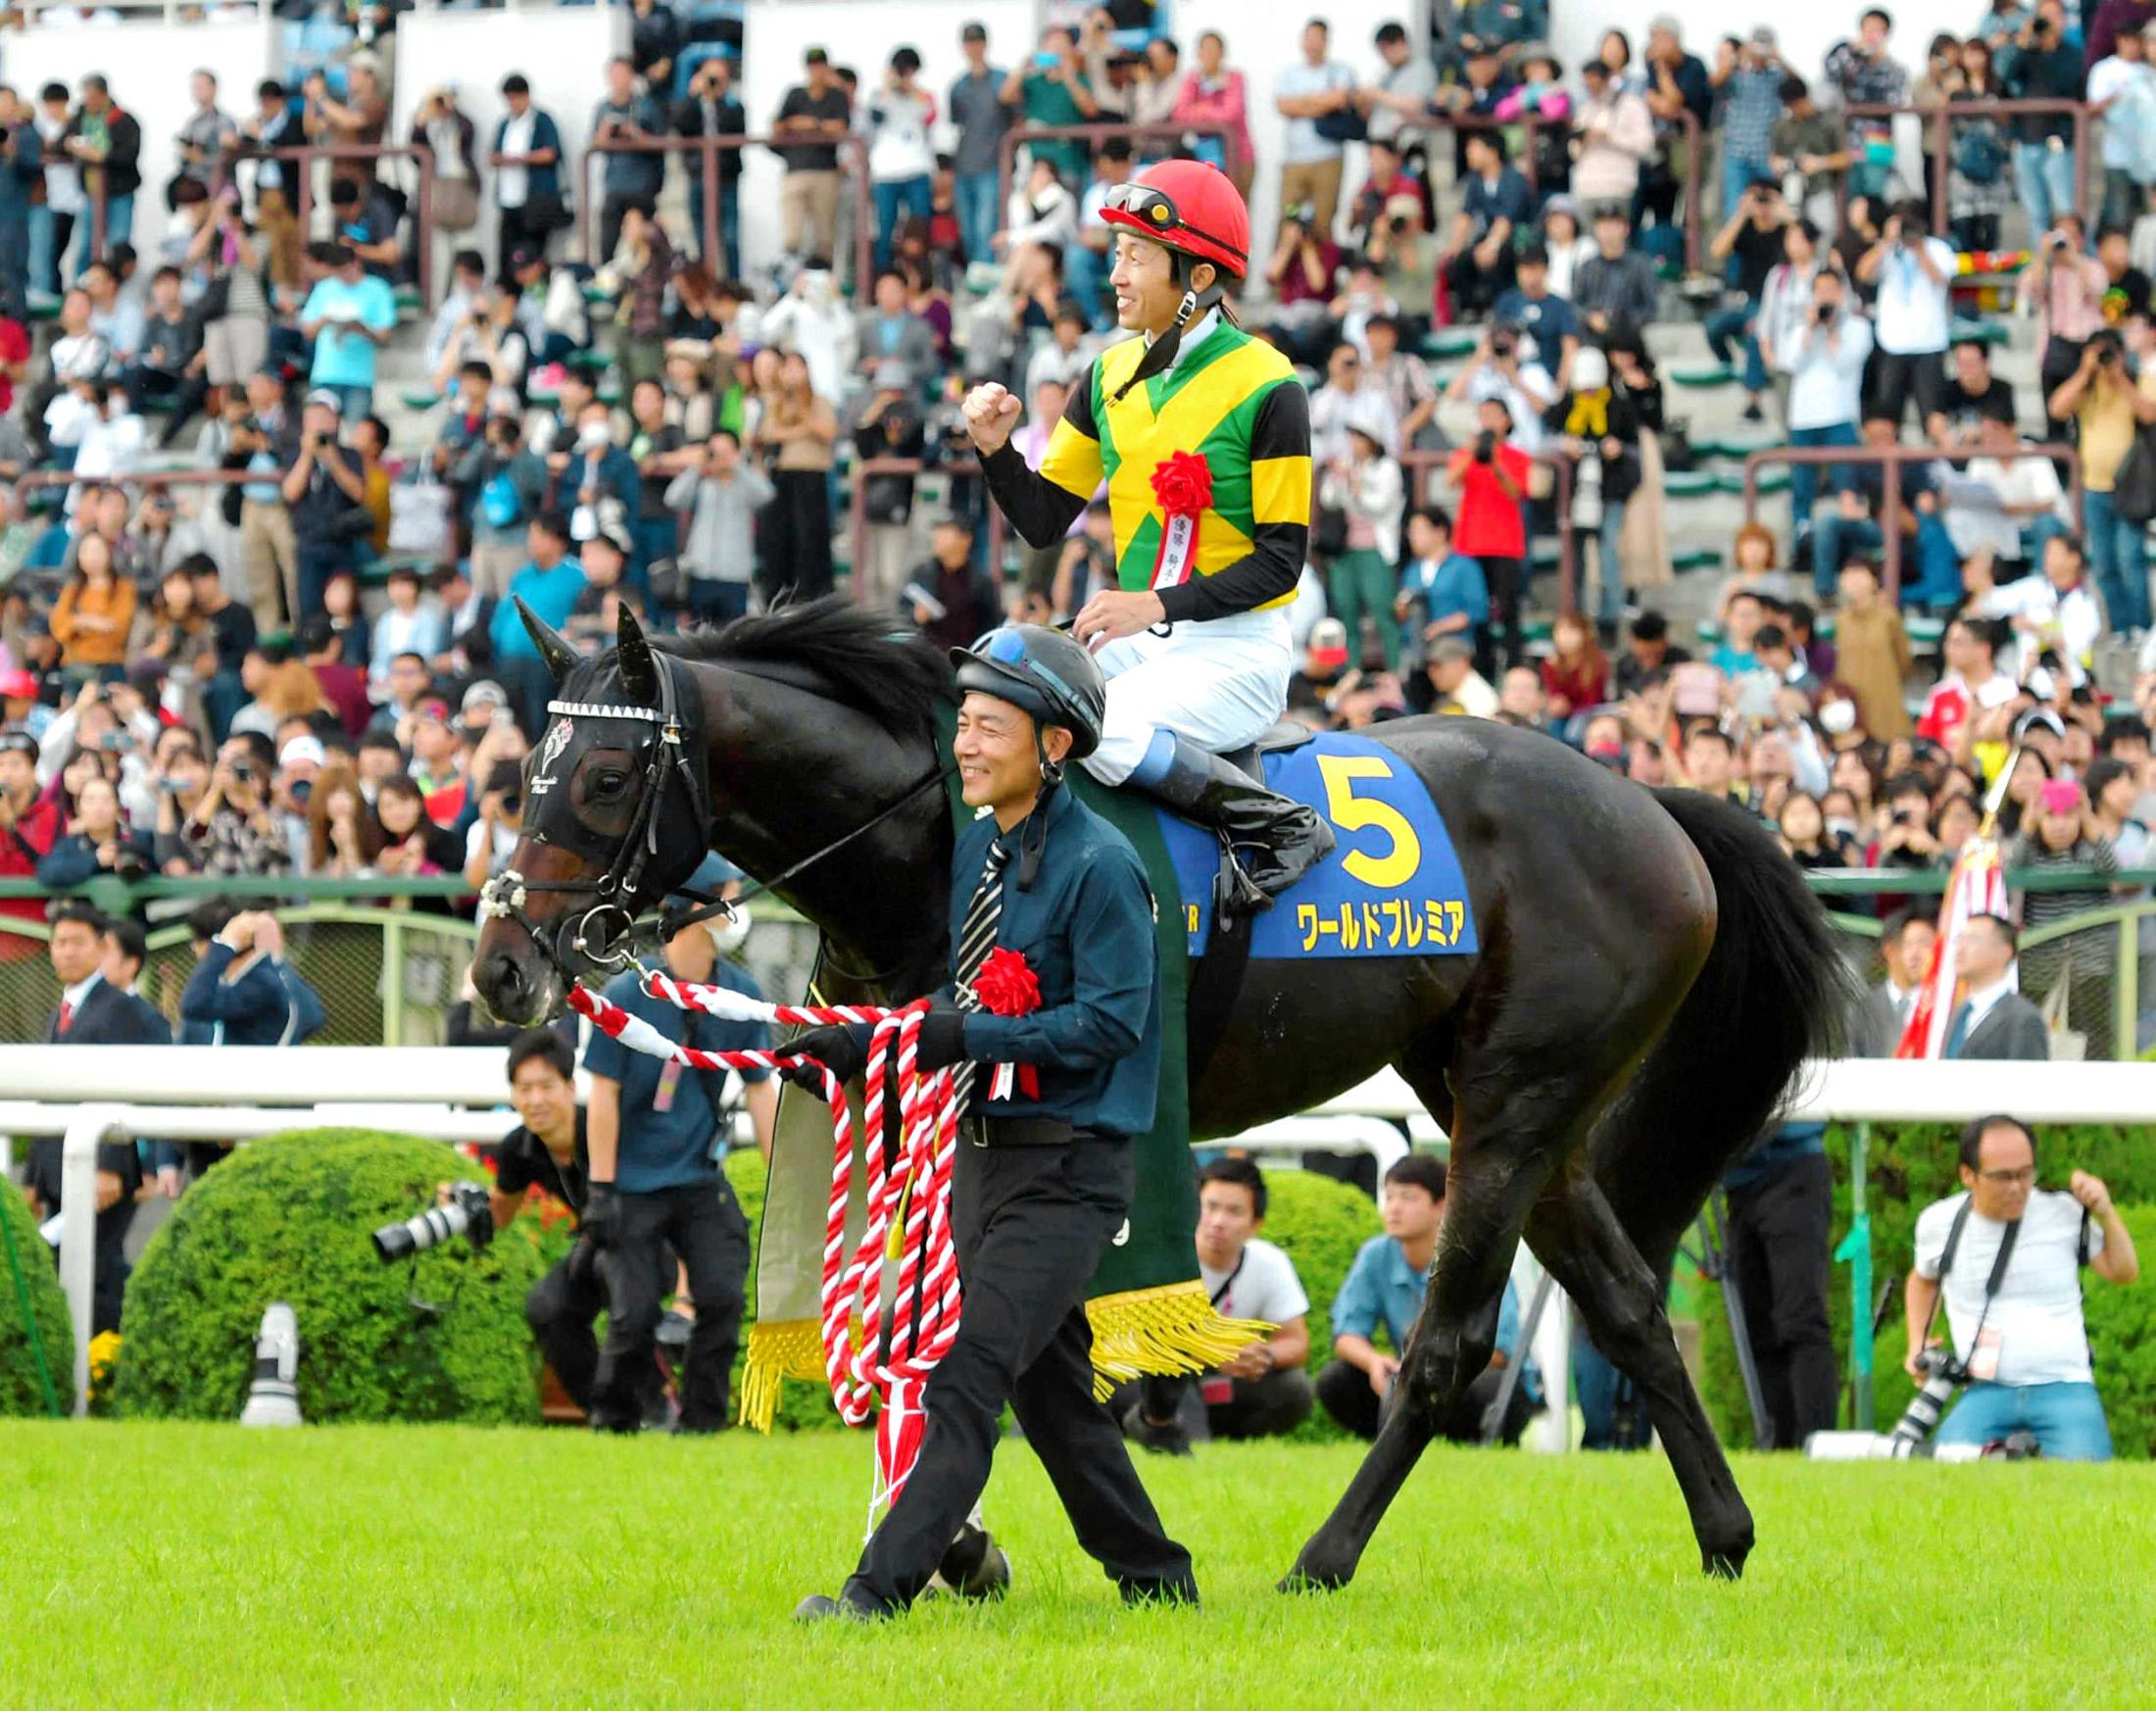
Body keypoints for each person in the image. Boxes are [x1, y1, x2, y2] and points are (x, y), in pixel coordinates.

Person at [790, 624, 1197, 1622]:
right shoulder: (981, 846)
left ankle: (873, 1594)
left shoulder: (1102, 866)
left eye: (989, 727)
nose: (965, 745)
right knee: (1053, 1397)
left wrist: (959, 1038)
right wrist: (875, 1040)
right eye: (962, 725)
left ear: (1053, 745)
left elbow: (1112, 1022)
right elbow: (968, 1006)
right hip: (985, 1166)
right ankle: (1156, 1577)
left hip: (1067, 1174)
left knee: (965, 1374)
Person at [961, 160, 1333, 916]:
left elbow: (1281, 564)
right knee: (1004, 683)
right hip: (1140, 641)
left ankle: (1281, 827)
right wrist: (996, 449)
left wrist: (1153, 605)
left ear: (1196, 275)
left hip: (1238, 649)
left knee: (1099, 728)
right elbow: (1042, 519)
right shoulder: (1105, 374)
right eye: (1117, 252)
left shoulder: (1272, 386)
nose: (1117, 273)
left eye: (1135, 256)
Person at [581, 903, 775, 1434]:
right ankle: (614, 1417)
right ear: (692, 912)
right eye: (726, 896)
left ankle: (703, 1423)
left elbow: (761, 1088)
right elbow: (603, 1093)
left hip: (698, 1177)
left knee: (721, 1295)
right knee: (635, 1313)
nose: (738, 910)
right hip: (633, 1181)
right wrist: (601, 1188)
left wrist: (782, 1181)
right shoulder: (626, 996)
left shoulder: (739, 995)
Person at [1905, 1114, 2138, 1459]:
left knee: (2087, 1482)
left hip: (2065, 1385)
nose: (2017, 1187)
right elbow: (1923, 1278)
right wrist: (1916, 1342)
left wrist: (2105, 1211)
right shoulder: (1939, 1223)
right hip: (1984, 1389)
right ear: (1968, 1175)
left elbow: (2124, 1271)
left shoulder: (2064, 1213)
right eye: (2002, 1177)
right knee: (1945, 1473)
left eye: (2026, 1173)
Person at [1316, 1154, 1536, 1444]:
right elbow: (1347, 1334)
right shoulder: (1376, 1254)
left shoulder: (1476, 1257)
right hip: (1410, 1379)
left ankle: (1451, 1439)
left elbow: (1499, 1353)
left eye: (1408, 1198)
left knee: (1492, 1389)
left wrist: (1430, 1367)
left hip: (1468, 1380)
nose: (1393, 1208)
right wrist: (1374, 1362)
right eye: (1389, 1196)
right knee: (1337, 1380)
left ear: (1442, 1206)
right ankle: (1387, 1445)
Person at [24, 904, 148, 1332]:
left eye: (78, 942)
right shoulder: (58, 1013)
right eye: (59, 943)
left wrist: (110, 1166)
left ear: (102, 947)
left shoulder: (120, 1009)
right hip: (59, 1170)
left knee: (98, 1275)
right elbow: (50, 1098)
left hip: (99, 1171)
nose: (67, 952)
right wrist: (33, 1180)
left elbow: (118, 1089)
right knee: (69, 1272)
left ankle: (112, 1363)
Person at [488, 1029, 604, 1413]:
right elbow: (499, 1215)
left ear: (570, 1087)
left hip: (647, 1242)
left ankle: (658, 1408)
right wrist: (461, 1202)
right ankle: (604, 1411)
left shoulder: (605, 1127)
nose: (535, 1100)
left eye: (546, 1086)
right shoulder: (519, 1148)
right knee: (548, 1308)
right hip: (594, 1250)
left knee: (630, 1304)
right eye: (524, 1089)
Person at [1175, 1156, 1313, 1441]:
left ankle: (1232, 1439)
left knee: (1293, 1389)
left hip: (1231, 1380)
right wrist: (1214, 1353)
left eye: (1234, 1211)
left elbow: (1297, 1342)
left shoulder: (1270, 1262)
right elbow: (1140, 1341)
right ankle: (1179, 1431)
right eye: (1210, 1207)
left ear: (1255, 1224)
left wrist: (1261, 1356)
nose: (1217, 1222)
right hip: (1171, 1375)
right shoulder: (1168, 1256)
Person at [1721, 1119, 1837, 1449]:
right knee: (1757, 1327)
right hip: (1738, 1185)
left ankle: (1816, 1443)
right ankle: (1780, 1446)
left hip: (1792, 1168)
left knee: (1800, 1318)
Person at [179, 905, 325, 1047]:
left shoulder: (261, 983)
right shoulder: (247, 980)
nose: (194, 948)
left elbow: (193, 1005)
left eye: (196, 941)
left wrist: (224, 946)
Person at [1272, 19, 1356, 238]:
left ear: (1327, 41)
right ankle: (1286, 271)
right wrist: (1319, 103)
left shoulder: (1340, 71)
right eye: (1308, 37)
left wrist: (1302, 104)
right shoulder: (1288, 73)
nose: (1312, 43)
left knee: (1322, 223)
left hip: (1328, 159)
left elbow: (1338, 99)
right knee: (1289, 217)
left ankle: (1322, 272)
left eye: (1317, 38)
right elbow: (1283, 105)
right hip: (1294, 161)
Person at [772, 49, 853, 268]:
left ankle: (824, 279)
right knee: (792, 236)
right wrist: (794, 123)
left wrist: (812, 124)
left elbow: (841, 127)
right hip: (795, 168)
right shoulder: (795, 94)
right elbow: (777, 125)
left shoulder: (836, 96)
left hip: (824, 170)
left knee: (825, 236)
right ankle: (791, 280)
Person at [1943, 913, 2051, 1059]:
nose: (1960, 949)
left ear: (2005, 951)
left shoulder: (2023, 1019)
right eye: (1959, 939)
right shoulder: (1960, 1013)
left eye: (1972, 940)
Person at [489, 76, 565, 277]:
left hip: (534, 202)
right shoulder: (506, 124)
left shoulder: (541, 121)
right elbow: (493, 154)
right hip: (508, 199)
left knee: (531, 256)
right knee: (507, 257)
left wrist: (519, 158)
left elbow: (550, 153)